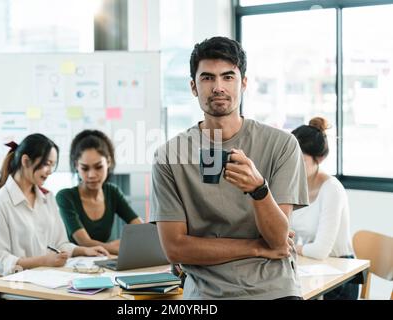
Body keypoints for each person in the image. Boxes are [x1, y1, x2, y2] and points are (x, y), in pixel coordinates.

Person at [150, 36, 309, 300]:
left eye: (228, 77)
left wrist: (259, 190)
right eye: (207, 78)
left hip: (274, 291)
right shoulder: (168, 156)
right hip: (207, 295)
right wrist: (257, 248)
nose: (218, 87)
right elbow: (175, 249)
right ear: (193, 86)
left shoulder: (282, 144)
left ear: (243, 83)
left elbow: (278, 240)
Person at [0, 134, 109, 276]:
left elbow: (60, 245)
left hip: (49, 278)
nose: (50, 171)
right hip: (19, 285)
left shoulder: (47, 197)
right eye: (46, 164)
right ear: (26, 161)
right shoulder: (1, 202)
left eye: (53, 165)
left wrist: (84, 250)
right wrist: (43, 261)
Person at [291, 117, 359, 300]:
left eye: (301, 161)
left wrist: (293, 247)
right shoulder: (293, 185)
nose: (293, 167)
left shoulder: (332, 189)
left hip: (340, 276)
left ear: (319, 158)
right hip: (309, 269)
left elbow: (320, 250)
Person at [56, 130, 142, 255]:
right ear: (76, 166)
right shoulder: (65, 197)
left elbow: (140, 228)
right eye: (85, 168)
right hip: (75, 265)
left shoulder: (113, 192)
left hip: (105, 261)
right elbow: (84, 242)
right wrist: (120, 247)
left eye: (98, 167)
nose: (92, 175)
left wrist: (111, 246)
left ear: (108, 162)